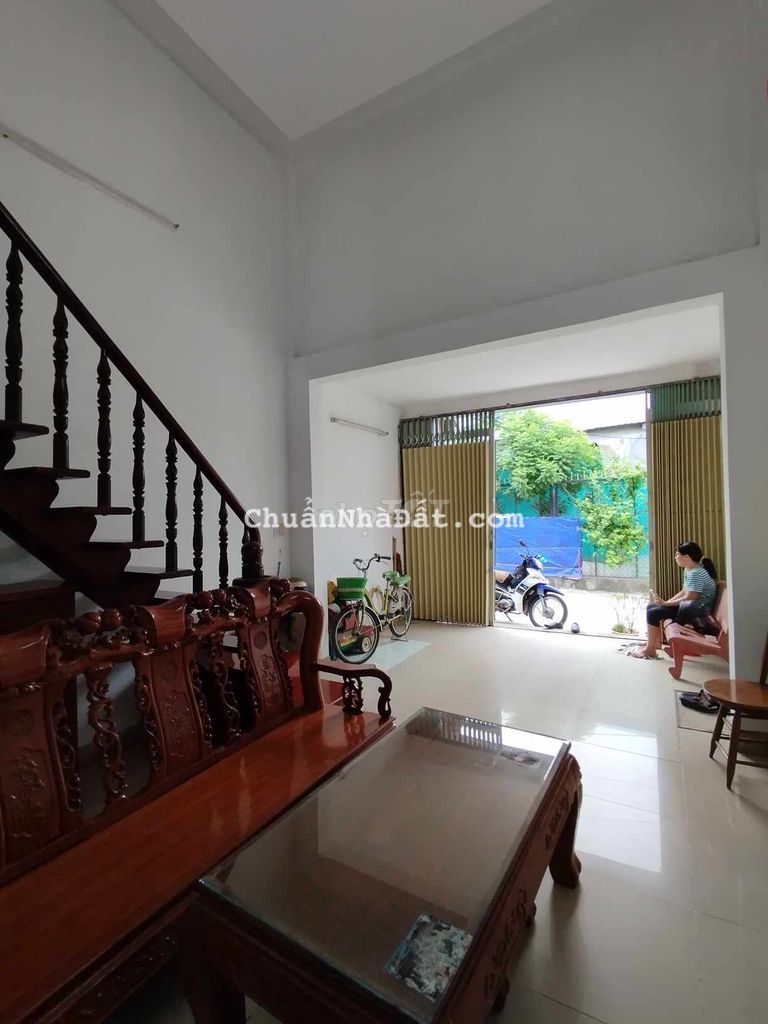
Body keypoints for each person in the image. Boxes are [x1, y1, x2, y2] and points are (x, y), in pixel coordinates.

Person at [629, 541, 717, 660]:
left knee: (653, 613)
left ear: (686, 557)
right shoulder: (689, 570)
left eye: (677, 554)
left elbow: (690, 598)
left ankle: (650, 650)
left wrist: (666, 604)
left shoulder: (696, 573)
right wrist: (666, 603)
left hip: (697, 612)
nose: (675, 557)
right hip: (690, 607)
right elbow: (684, 591)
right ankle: (655, 643)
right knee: (651, 607)